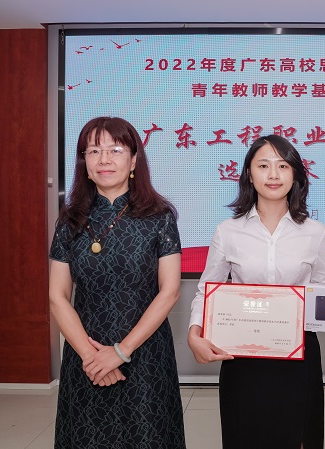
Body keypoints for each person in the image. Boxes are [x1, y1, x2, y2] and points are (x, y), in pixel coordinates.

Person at [187, 134, 325, 449]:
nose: (273, 175)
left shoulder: (315, 232)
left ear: (295, 175)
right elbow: (205, 292)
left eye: (282, 166)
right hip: (243, 354)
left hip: (298, 354)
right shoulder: (228, 231)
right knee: (245, 435)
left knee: (298, 436)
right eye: (263, 166)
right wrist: (193, 333)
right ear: (249, 174)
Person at [49, 117, 186, 449]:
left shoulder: (159, 217)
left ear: (134, 160)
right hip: (87, 355)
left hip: (145, 353)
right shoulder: (69, 221)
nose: (104, 159)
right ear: (84, 162)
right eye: (94, 151)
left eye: (115, 150)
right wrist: (92, 356)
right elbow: (57, 296)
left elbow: (169, 292)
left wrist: (121, 352)